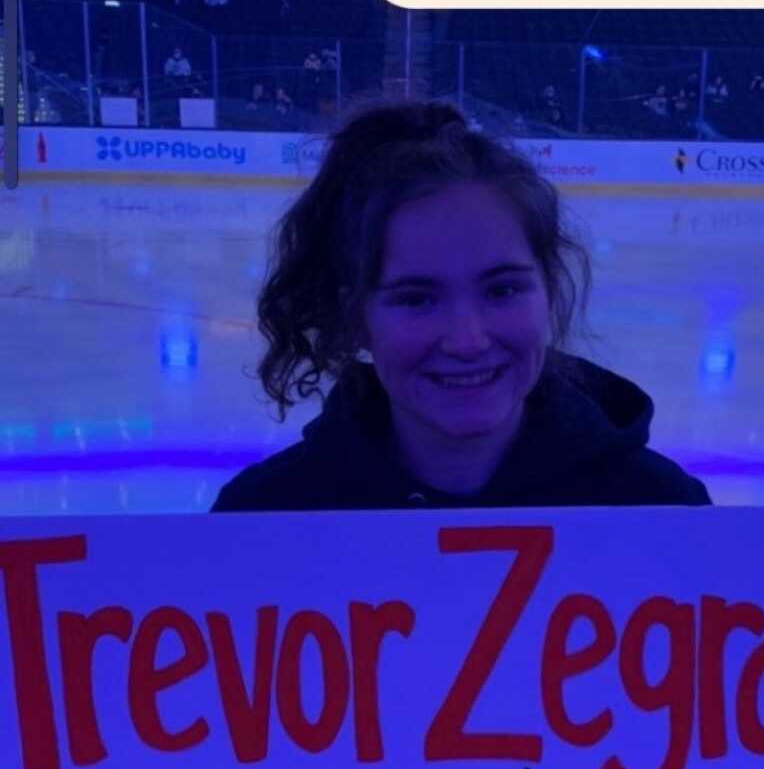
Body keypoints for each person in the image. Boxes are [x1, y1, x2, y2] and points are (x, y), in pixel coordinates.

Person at [212, 101, 712, 512]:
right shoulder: (263, 518)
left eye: (502, 290)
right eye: (416, 299)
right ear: (356, 318)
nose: (467, 340)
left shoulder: (662, 510)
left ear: (549, 292)